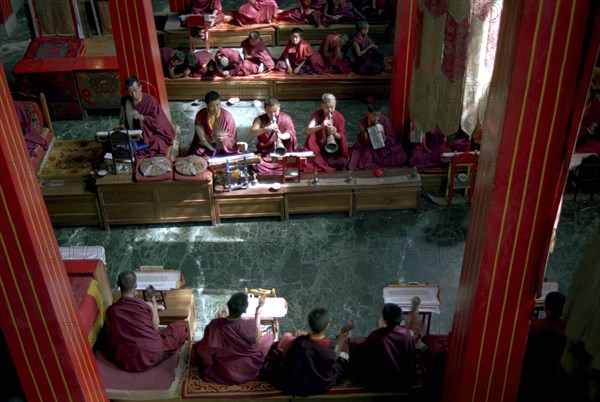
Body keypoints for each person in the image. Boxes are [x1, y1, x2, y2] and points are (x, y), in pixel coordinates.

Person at [104, 270, 188, 372]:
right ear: (135, 285)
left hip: (125, 359)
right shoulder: (145, 305)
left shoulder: (112, 310)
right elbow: (156, 327)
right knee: (180, 327)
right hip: (150, 354)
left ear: (118, 284)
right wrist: (152, 301)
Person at [261, 307, 351, 396]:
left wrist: (300, 337)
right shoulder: (327, 351)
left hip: (293, 382)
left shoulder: (298, 342)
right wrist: (342, 337)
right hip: (317, 385)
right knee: (343, 356)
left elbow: (286, 356)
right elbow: (334, 357)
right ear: (327, 326)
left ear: (309, 323)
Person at [194, 292, 274, 384]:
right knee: (268, 337)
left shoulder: (214, 325)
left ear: (228, 305)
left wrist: (221, 319)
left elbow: (206, 349)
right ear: (244, 310)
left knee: (199, 345)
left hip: (222, 368)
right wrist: (258, 314)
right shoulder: (249, 325)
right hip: (246, 367)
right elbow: (255, 339)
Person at [345, 300, 424, 390]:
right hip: (404, 379)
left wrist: (379, 329)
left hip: (381, 380)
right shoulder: (408, 336)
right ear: (400, 320)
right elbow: (418, 352)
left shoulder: (377, 335)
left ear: (384, 319)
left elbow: (364, 352)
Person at [518, 291, 568, 402]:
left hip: (533, 376)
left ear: (546, 309)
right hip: (555, 379)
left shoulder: (537, 327)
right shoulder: (567, 329)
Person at [119, 76, 175, 158]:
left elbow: (158, 120)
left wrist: (141, 117)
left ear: (140, 87)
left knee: (158, 143)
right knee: (117, 143)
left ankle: (136, 150)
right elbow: (123, 120)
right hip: (133, 132)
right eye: (130, 92)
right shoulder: (126, 102)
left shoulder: (150, 101)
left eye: (135, 91)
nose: (133, 94)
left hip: (151, 132)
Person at [347, 102, 406, 170]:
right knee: (359, 151)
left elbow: (392, 138)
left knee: (400, 156)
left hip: (384, 148)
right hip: (370, 147)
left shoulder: (384, 120)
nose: (376, 118)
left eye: (378, 115)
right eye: (374, 115)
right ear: (369, 113)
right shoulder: (362, 121)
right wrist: (365, 135)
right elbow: (365, 142)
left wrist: (384, 137)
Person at [249, 97, 298, 175]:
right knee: (255, 164)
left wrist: (281, 136)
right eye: (269, 112)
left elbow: (291, 133)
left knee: (288, 164)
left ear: (279, 107)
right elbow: (252, 133)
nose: (272, 114)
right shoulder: (260, 120)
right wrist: (265, 129)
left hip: (282, 154)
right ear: (265, 109)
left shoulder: (285, 118)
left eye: (275, 111)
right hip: (265, 155)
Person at [303, 93, 348, 172]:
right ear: (322, 105)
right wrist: (322, 125)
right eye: (327, 107)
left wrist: (335, 133)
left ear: (335, 105)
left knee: (342, 162)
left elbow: (342, 137)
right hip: (319, 150)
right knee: (307, 162)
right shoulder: (317, 114)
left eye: (332, 107)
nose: (330, 110)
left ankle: (324, 163)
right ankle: (322, 162)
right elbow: (308, 131)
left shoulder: (340, 117)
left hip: (333, 150)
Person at [187, 90, 238, 159]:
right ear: (207, 105)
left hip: (222, 146)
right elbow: (199, 134)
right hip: (206, 145)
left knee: (227, 150)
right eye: (212, 106)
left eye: (217, 105)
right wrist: (204, 140)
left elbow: (233, 136)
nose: (215, 109)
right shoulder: (200, 114)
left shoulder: (227, 116)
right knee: (199, 153)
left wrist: (225, 139)